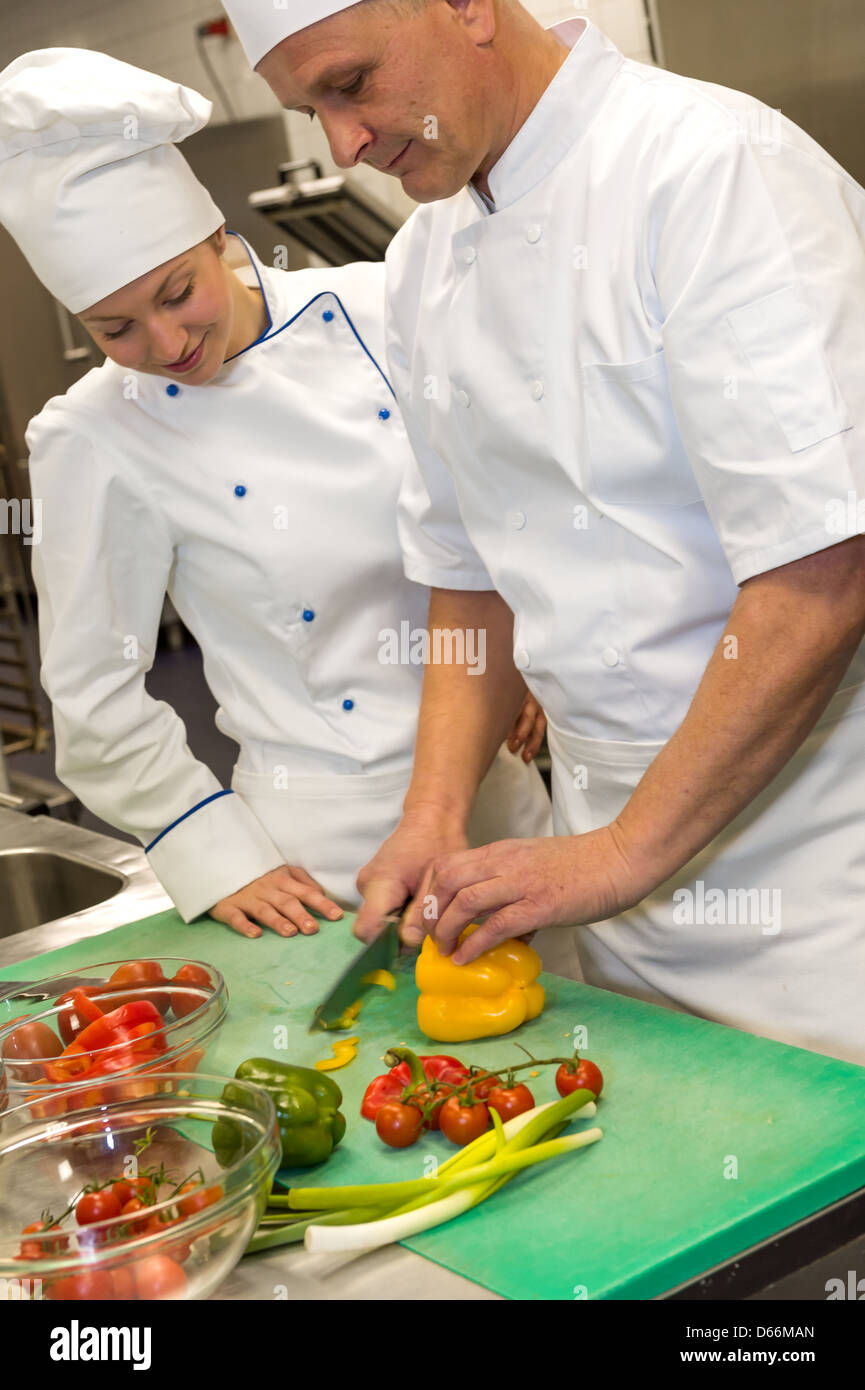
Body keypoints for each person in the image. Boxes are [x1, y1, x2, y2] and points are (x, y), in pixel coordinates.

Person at [223, 0, 865, 1063]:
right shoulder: (428, 260)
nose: (342, 146)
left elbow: (824, 567)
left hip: (814, 863)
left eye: (349, 85)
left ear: (469, 6)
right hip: (606, 865)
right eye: (306, 109)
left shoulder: (709, 168)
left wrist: (620, 852)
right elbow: (465, 571)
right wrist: (434, 812)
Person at [0, 46, 552, 943]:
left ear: (217, 234)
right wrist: (212, 851)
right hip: (325, 856)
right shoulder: (93, 435)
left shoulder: (386, 307)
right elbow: (92, 689)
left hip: (503, 804)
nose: (166, 341)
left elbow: (491, 514)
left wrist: (521, 657)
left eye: (177, 293)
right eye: (115, 328)